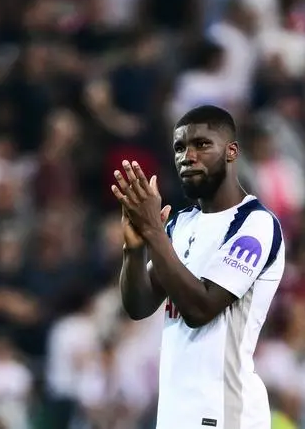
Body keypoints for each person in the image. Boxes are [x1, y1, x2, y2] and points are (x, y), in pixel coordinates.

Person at [111, 104, 285, 429]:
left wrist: (152, 232)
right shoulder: (182, 224)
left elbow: (201, 308)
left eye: (202, 144)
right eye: (179, 147)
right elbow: (139, 305)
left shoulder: (255, 225)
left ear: (231, 151)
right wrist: (134, 248)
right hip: (177, 412)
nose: (187, 156)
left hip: (224, 411)